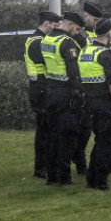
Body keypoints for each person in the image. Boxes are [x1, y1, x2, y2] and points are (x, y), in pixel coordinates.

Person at [78, 17, 111, 190]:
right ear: (108, 32)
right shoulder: (105, 55)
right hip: (105, 103)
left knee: (99, 140)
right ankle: (101, 182)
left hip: (89, 102)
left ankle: (91, 178)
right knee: (105, 143)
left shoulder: (85, 51)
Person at [40, 11, 85, 186]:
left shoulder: (47, 39)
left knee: (53, 135)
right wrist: (80, 93)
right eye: (77, 28)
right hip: (66, 94)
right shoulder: (67, 43)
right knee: (68, 136)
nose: (77, 31)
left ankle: (51, 175)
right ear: (70, 24)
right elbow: (74, 73)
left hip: (51, 91)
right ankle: (64, 177)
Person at [24, 10, 60, 179]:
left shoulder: (38, 40)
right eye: (54, 25)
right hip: (40, 89)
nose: (55, 28)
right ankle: (41, 168)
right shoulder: (37, 42)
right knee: (44, 132)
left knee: (47, 130)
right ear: (46, 24)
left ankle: (47, 166)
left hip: (41, 88)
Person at [72, 1, 105, 175]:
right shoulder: (80, 34)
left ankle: (106, 162)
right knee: (83, 129)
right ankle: (80, 161)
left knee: (95, 129)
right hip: (83, 86)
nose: (97, 22)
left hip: (95, 86)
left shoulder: (94, 33)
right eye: (95, 19)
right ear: (86, 17)